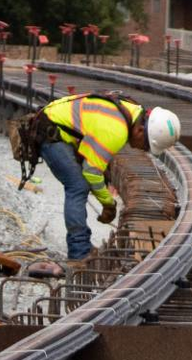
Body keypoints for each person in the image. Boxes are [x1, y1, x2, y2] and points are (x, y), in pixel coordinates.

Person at [39, 92, 181, 270]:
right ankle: (79, 254)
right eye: (146, 145)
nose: (142, 149)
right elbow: (91, 172)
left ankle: (82, 248)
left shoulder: (132, 109)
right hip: (50, 131)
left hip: (57, 122)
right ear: (139, 130)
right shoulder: (116, 130)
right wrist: (109, 203)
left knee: (82, 183)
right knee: (78, 186)